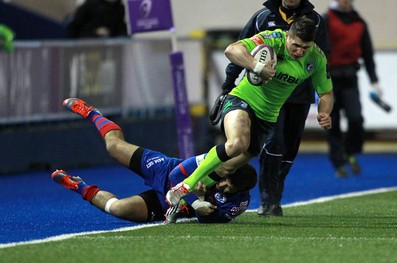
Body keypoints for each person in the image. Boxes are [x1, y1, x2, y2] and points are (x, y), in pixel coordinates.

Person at [166, 16, 334, 207]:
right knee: (237, 143)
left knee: (227, 167)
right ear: (288, 36)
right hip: (242, 100)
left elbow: (326, 93)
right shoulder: (272, 39)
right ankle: (182, 187)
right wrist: (257, 66)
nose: (300, 51)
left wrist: (324, 112)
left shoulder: (316, 58)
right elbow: (232, 50)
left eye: (305, 47)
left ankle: (187, 201)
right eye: (296, 45)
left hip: (267, 117)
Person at [211, 0, 331, 217]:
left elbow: (322, 61)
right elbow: (241, 47)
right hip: (266, 95)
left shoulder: (316, 22)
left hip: (299, 96)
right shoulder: (263, 17)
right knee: (273, 144)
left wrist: (324, 104)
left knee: (289, 150)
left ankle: (275, 191)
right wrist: (227, 86)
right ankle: (268, 199)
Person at [52, 98, 257, 224]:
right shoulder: (214, 164)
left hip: (166, 204)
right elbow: (176, 175)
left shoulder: (238, 202)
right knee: (113, 147)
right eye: (224, 182)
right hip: (165, 171)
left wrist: (199, 205)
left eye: (227, 189)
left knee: (118, 209)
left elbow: (210, 218)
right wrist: (196, 199)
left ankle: (78, 186)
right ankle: (92, 113)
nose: (222, 187)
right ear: (227, 171)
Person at [323, 0, 383, 178]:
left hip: (350, 79)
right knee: (331, 122)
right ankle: (338, 162)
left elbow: (367, 53)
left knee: (355, 118)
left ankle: (350, 151)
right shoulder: (326, 20)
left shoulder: (359, 22)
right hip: (328, 80)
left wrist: (374, 81)